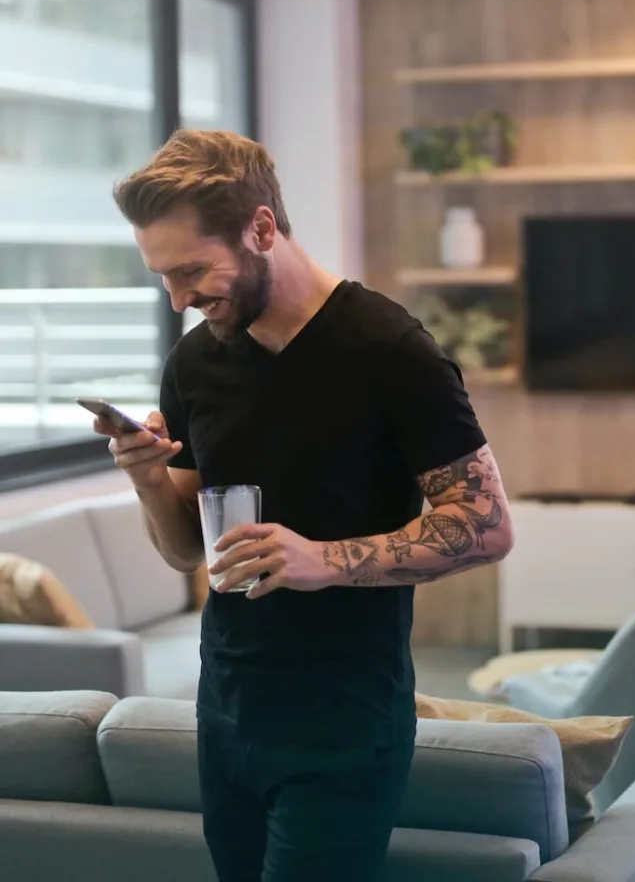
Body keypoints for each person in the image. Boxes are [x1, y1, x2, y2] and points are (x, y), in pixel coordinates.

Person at [96, 128, 514, 882]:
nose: (180, 299)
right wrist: (149, 479)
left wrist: (322, 559)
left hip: (345, 716)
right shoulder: (194, 362)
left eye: (192, 270)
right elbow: (187, 550)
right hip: (224, 706)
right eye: (162, 278)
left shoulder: (390, 349)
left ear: (262, 228)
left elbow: (486, 525)